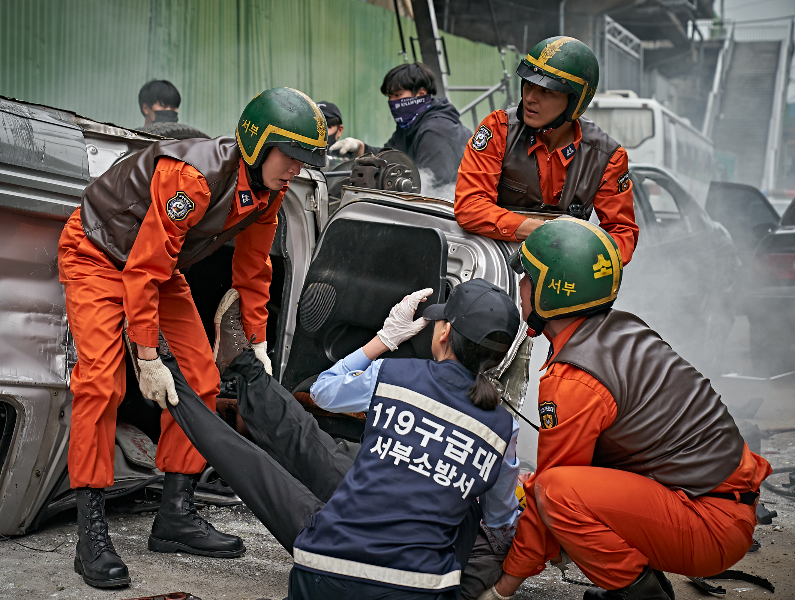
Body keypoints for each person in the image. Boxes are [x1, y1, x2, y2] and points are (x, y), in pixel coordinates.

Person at [58, 87, 327, 588]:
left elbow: (253, 268)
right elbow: (141, 270)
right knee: (100, 384)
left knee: (202, 378)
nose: (296, 169)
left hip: (160, 269)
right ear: (258, 142)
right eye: (290, 156)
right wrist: (146, 356)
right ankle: (89, 530)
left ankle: (174, 515)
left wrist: (257, 341)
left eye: (304, 161)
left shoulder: (270, 192)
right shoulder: (191, 178)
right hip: (98, 254)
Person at [157, 279, 522, 599]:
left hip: (322, 571)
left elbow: (324, 391)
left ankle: (170, 369)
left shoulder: (393, 374)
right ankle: (241, 368)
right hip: (415, 587)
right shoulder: (505, 427)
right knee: (467, 508)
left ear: (443, 333)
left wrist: (384, 340)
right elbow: (502, 519)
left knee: (271, 461)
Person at [481, 218, 772, 600]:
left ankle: (641, 594)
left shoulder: (573, 380)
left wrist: (503, 588)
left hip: (710, 525)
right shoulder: (621, 328)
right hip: (717, 500)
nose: (519, 287)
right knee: (554, 484)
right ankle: (640, 580)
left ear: (551, 293)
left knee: (554, 492)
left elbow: (552, 492)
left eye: (528, 278)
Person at [454, 37, 638, 265]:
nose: (530, 98)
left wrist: (586, 260)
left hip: (565, 271)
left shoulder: (608, 157)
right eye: (528, 84)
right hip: (493, 266)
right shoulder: (498, 129)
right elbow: (470, 207)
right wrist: (545, 233)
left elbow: (621, 233)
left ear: (576, 100)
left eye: (547, 91)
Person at [330, 62, 473, 186]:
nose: (392, 102)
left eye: (397, 95)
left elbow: (433, 187)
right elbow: (391, 156)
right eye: (389, 96)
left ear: (421, 94)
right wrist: (360, 148)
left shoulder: (436, 132)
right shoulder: (410, 126)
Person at [138, 79, 209, 139]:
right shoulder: (133, 140)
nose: (169, 110)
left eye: (174, 107)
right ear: (146, 109)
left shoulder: (184, 140)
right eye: (163, 106)